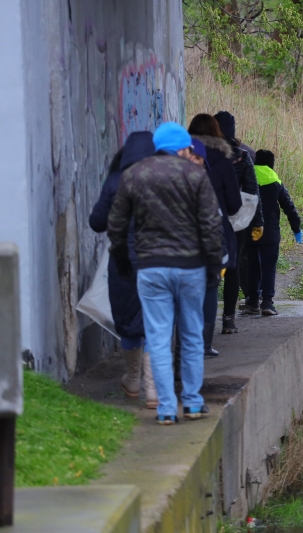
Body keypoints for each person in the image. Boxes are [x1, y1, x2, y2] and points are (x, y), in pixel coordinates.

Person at [107, 122, 225, 425]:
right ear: (182, 148)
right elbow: (211, 226)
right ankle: (194, 403)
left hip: (151, 269)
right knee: (191, 335)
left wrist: (122, 262)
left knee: (158, 338)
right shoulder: (196, 175)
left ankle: (166, 408)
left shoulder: (134, 174)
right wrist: (214, 266)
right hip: (191, 268)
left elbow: (117, 226)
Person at [89, 131, 157, 408]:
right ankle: (153, 389)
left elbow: (97, 222)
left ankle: (132, 379)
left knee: (129, 319)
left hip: (124, 263)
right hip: (158, 261)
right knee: (156, 320)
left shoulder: (116, 181)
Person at [194, 112, 263, 334]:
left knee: (203, 270)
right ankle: (228, 320)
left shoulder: (193, 154)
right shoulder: (242, 156)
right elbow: (253, 192)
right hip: (234, 222)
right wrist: (257, 221)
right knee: (232, 268)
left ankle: (197, 325)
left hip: (199, 221)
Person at [190, 137, 241, 355]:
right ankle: (203, 345)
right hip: (194, 256)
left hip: (159, 260)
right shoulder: (204, 182)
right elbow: (221, 215)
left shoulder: (149, 178)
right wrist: (218, 258)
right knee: (208, 288)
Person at [244, 150, 302, 316]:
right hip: (270, 232)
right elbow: (289, 207)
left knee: (252, 266)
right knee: (269, 267)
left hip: (250, 230)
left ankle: (253, 301)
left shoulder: (247, 178)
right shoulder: (275, 181)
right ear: (271, 163)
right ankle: (267, 303)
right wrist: (296, 228)